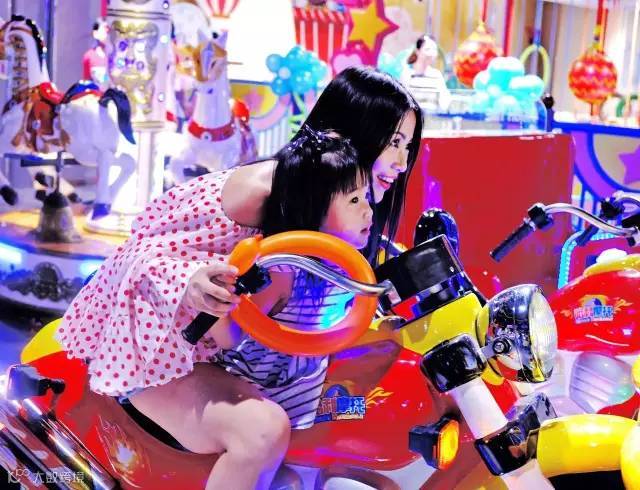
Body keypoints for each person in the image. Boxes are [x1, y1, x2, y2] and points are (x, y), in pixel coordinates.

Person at [57, 66, 422, 489]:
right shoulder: (266, 195)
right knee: (261, 432)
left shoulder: (335, 215)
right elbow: (145, 248)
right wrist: (193, 280)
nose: (402, 162)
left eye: (408, 145)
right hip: (166, 346)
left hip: (241, 361)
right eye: (393, 142)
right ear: (353, 132)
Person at [403, 35, 451, 111]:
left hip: (433, 116)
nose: (431, 53)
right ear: (417, 51)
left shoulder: (436, 75)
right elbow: (403, 100)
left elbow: (444, 98)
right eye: (428, 49)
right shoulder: (407, 74)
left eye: (434, 49)